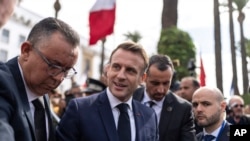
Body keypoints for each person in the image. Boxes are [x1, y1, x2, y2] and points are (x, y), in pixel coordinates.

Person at [56, 41, 158, 141]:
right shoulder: (80, 110)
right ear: (108, 69)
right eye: (116, 67)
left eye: (130, 70)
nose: (120, 76)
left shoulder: (149, 116)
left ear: (142, 78)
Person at [0, 17, 80, 141]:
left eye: (66, 70)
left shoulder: (41, 95)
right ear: (26, 51)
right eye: (53, 66)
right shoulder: (3, 83)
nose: (59, 78)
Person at [133, 54, 196, 141]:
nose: (161, 90)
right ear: (144, 78)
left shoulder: (183, 109)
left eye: (166, 83)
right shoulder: (129, 97)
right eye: (155, 83)